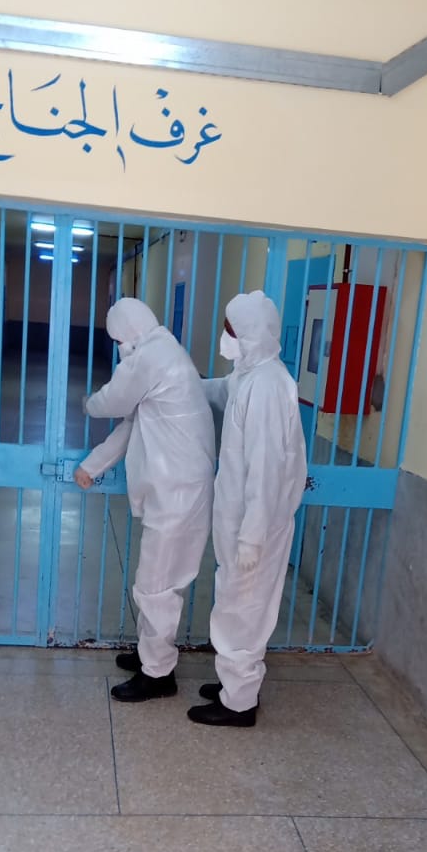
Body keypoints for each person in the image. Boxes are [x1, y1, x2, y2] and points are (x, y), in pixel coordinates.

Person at [75, 298, 215, 702]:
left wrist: (87, 403)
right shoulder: (166, 353)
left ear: (129, 330)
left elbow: (114, 402)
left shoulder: (152, 357)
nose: (119, 346)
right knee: (157, 581)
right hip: (178, 491)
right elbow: (132, 423)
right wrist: (92, 465)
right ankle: (150, 654)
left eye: (117, 338)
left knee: (156, 585)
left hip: (178, 494)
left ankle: (158, 674)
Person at [188, 290, 307, 727]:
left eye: (231, 330)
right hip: (238, 520)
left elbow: (267, 470)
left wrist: (252, 537)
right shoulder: (248, 375)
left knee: (245, 608)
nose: (225, 337)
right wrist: (179, 382)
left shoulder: (270, 387)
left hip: (256, 527)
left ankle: (239, 703)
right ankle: (233, 683)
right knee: (234, 601)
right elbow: (220, 391)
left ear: (251, 333)